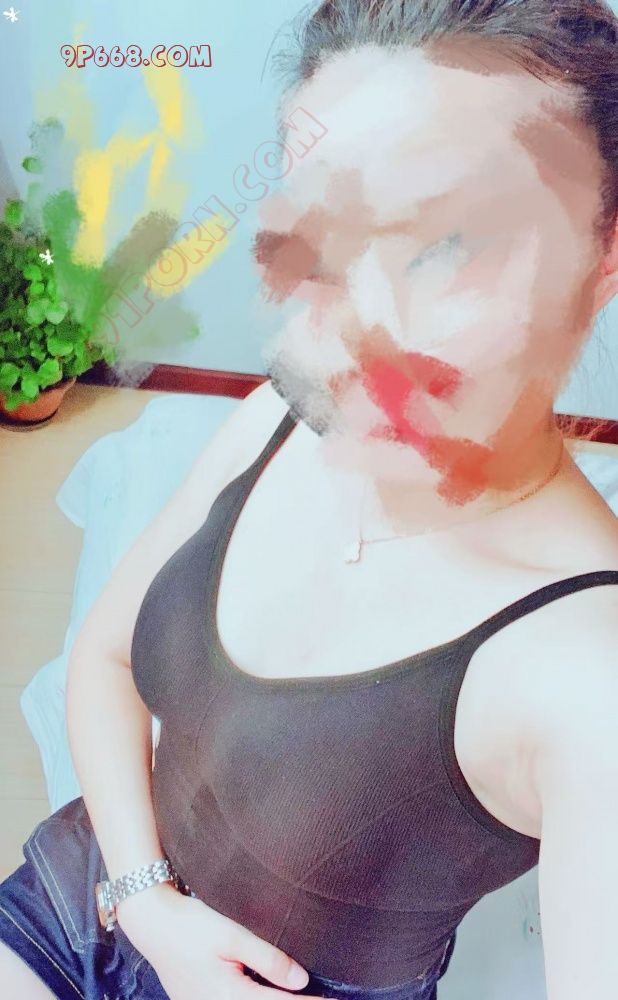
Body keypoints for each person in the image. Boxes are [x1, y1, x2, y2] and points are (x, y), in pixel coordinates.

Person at [2, 1, 618, 998]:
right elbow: (104, 658)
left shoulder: (592, 669)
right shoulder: (283, 416)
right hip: (91, 895)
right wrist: (147, 901)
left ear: (601, 257)